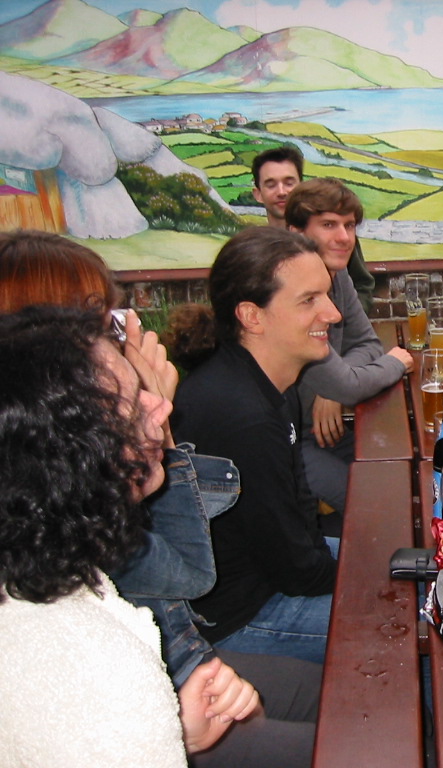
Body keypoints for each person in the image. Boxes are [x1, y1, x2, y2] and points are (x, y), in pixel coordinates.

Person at [0, 229, 322, 767]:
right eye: (102, 324)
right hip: (184, 662)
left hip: (185, 660)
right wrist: (145, 435)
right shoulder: (50, 517)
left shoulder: (75, 480)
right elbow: (189, 576)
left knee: (344, 694)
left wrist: (141, 429)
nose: (126, 339)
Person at [0, 306, 259, 766]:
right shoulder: (99, 669)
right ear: (71, 452)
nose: (163, 405)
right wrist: (158, 725)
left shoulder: (36, 568)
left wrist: (177, 733)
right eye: (133, 402)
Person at [170, 227, 341, 665]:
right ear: (252, 316)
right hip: (239, 615)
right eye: (309, 300)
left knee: (407, 567)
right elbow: (295, 570)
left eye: (326, 294)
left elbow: (298, 506)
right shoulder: (243, 415)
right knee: (415, 619)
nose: (333, 313)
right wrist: (361, 580)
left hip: (276, 572)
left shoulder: (272, 384)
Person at [285, 179, 413, 515]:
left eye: (350, 225)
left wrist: (331, 389)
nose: (344, 237)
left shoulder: (338, 275)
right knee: (374, 510)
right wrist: (395, 362)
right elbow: (351, 383)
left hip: (325, 431)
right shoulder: (290, 291)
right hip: (287, 443)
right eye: (329, 225)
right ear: (296, 232)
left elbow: (367, 342)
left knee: (401, 480)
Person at [251, 147, 376, 313]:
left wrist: (343, 317)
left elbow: (362, 286)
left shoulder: (339, 242)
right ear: (258, 194)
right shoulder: (255, 253)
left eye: (289, 183)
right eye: (271, 185)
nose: (281, 192)